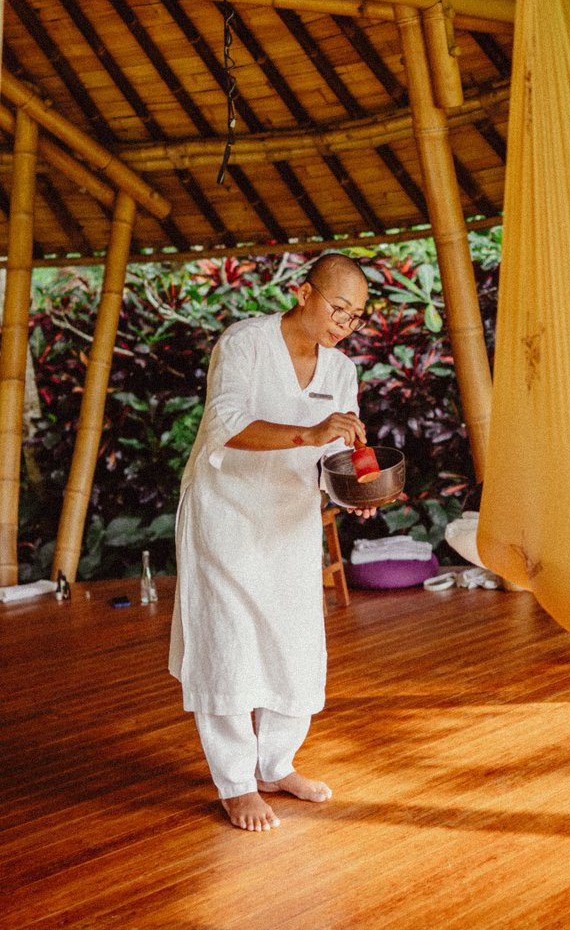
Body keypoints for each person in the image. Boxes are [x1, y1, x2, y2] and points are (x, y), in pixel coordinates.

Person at [168, 252, 370, 832]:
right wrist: (308, 430)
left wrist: (360, 490)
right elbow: (226, 421)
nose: (344, 324)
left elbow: (337, 457)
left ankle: (275, 765)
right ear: (304, 292)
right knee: (228, 643)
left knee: (294, 643)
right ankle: (234, 783)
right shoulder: (245, 343)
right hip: (224, 515)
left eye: (355, 317)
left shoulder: (341, 372)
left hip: (290, 520)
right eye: (338, 308)